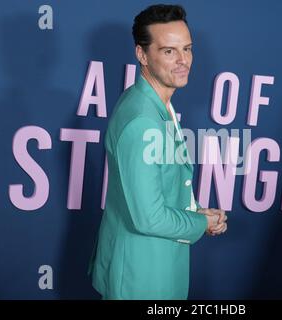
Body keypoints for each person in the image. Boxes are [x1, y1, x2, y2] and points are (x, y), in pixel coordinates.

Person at [88, 4, 228, 300]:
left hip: (157, 266)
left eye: (187, 49)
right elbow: (148, 218)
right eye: (169, 51)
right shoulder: (142, 120)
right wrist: (201, 223)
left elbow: (160, 188)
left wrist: (195, 212)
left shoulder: (153, 102)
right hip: (141, 276)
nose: (183, 61)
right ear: (142, 54)